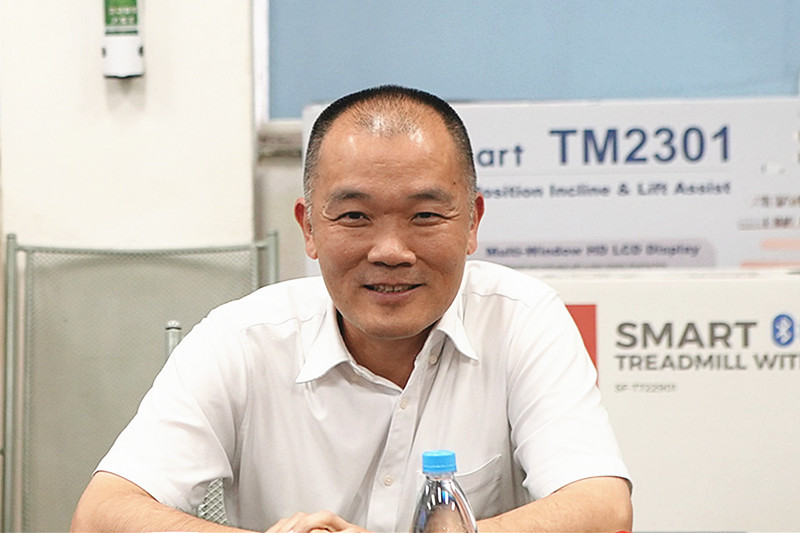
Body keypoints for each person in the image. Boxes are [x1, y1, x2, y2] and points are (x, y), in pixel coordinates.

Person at [71, 85, 632, 533]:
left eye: (425, 216)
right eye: (355, 217)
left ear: (472, 223)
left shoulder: (522, 320)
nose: (390, 251)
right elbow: (102, 514)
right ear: (309, 228)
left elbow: (602, 508)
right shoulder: (241, 338)